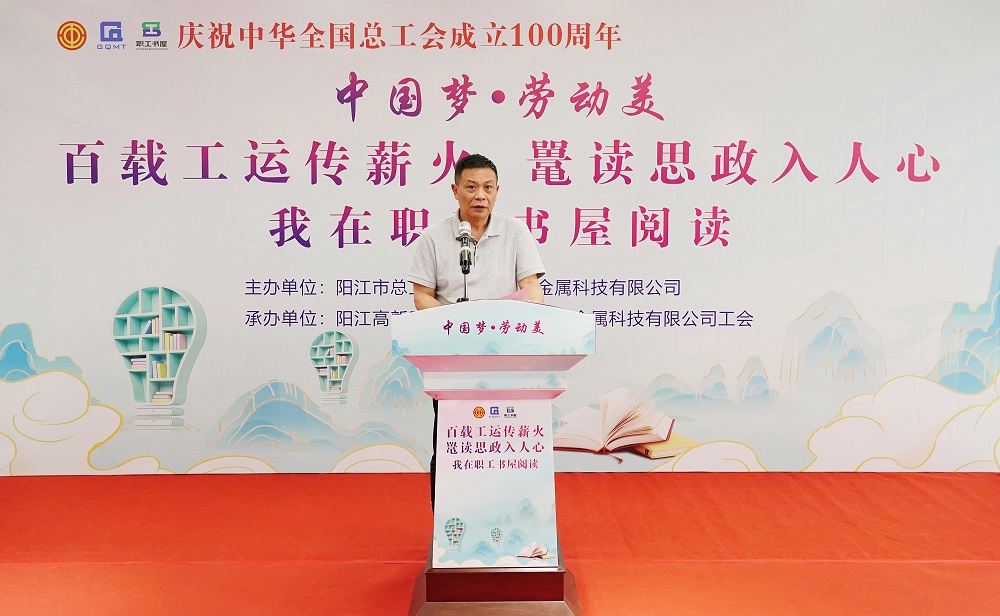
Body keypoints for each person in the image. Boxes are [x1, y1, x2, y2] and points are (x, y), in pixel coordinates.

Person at [406, 153, 545, 507]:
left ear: (497, 191)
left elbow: (531, 287)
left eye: (487, 187)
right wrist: (459, 325)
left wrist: (517, 321)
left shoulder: (516, 232)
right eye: (470, 187)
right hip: (453, 357)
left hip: (506, 355)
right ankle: (448, 521)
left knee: (505, 440)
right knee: (453, 441)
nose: (479, 195)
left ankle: (506, 514)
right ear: (455, 191)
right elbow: (421, 295)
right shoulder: (433, 238)